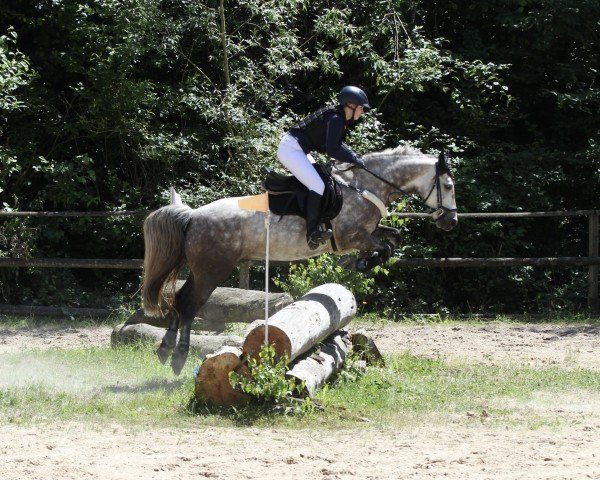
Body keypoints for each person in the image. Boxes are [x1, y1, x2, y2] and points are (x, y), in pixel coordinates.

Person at [277, 86, 370, 249]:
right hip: (290, 149)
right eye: (362, 108)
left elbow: (339, 145)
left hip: (298, 149)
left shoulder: (339, 118)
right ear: (352, 105)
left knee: (324, 180)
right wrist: (354, 159)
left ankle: (317, 220)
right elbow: (332, 149)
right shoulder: (336, 119)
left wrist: (355, 156)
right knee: (317, 185)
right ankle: (312, 234)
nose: (362, 112)